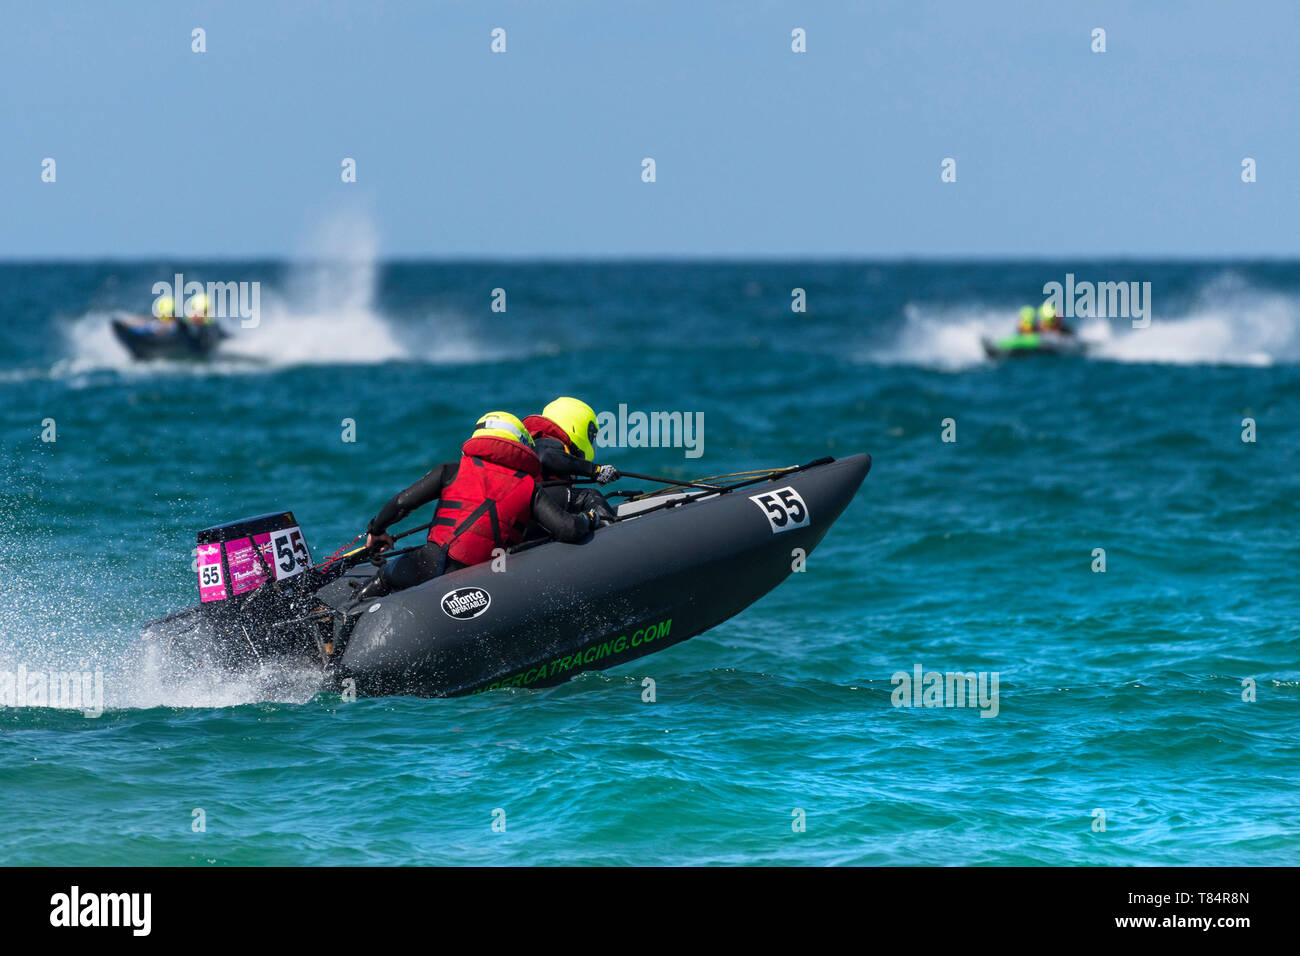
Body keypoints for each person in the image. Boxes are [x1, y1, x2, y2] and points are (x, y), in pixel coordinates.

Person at [357, 411, 600, 598]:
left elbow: (401, 503)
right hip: (479, 584)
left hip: (427, 564)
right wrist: (590, 518)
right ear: (522, 446)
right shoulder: (529, 488)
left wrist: (377, 531)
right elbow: (567, 529)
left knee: (386, 578)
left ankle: (337, 632)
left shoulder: (450, 470)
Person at [523, 397, 619, 525]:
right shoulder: (544, 442)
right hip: (531, 503)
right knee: (589, 496)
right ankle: (614, 529)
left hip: (530, 507)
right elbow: (546, 457)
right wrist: (595, 470)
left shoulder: (535, 442)